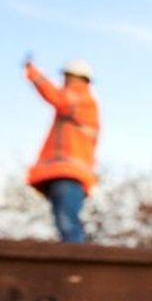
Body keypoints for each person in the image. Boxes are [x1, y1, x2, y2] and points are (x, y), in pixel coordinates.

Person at [24, 58, 99, 243]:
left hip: (70, 174)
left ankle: (77, 260)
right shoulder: (77, 103)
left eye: (67, 77)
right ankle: (74, 257)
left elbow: (58, 97)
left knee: (67, 223)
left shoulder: (82, 100)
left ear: (78, 78)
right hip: (63, 174)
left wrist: (34, 74)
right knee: (62, 222)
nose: (64, 81)